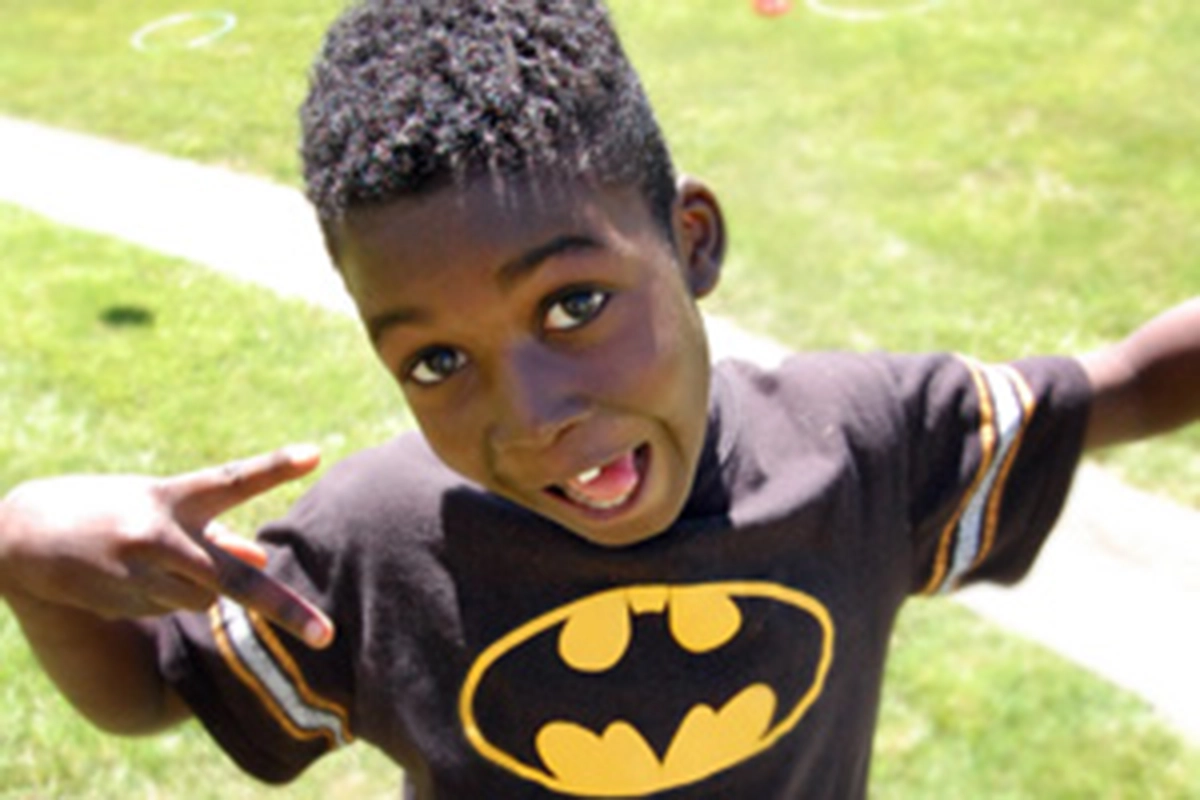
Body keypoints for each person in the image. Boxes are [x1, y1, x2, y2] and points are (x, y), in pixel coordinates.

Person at [0, 0, 1197, 797]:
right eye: (434, 362)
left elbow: (1129, 384)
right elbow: (156, 691)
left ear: (692, 241)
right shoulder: (378, 546)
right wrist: (26, 552)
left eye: (573, 305)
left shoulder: (862, 441)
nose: (530, 417)